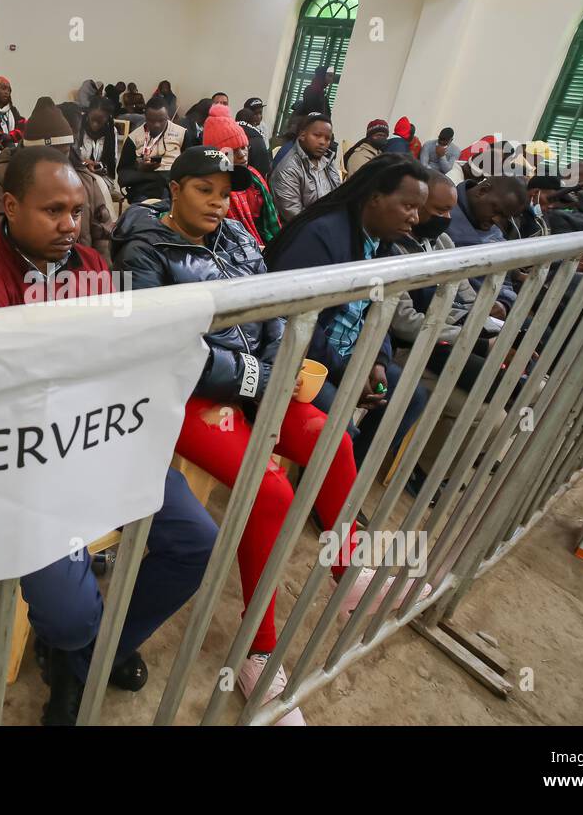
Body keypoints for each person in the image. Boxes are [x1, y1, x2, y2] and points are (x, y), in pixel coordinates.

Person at [114, 145, 410, 726]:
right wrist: (259, 382)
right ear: (175, 189)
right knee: (270, 490)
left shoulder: (238, 238)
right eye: (205, 189)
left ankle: (348, 570)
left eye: (226, 192)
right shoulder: (143, 249)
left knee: (333, 437)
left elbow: (274, 310)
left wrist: (273, 380)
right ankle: (259, 650)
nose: (219, 202)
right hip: (184, 396)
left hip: (259, 384)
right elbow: (163, 347)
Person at [0, 145, 218, 725]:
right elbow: (4, 395)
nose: (70, 224)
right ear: (11, 207)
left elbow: (116, 358)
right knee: (68, 611)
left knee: (195, 540)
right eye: (53, 211)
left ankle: (88, 656)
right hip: (27, 465)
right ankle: (74, 646)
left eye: (76, 210)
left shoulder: (93, 266)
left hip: (103, 440)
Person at [265, 153, 432, 467]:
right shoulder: (322, 235)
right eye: (408, 206)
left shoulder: (383, 245)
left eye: (418, 209)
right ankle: (331, 483)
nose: (415, 218)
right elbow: (296, 320)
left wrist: (378, 361)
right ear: (375, 198)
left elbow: (377, 312)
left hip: (346, 358)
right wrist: (347, 372)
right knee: (343, 431)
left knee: (409, 395)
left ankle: (338, 480)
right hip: (303, 360)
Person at [389, 171, 503, 396]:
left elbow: (466, 295)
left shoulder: (442, 241)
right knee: (496, 401)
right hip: (408, 345)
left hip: (442, 334)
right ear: (416, 206)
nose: (448, 219)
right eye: (440, 211)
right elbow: (404, 324)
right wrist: (472, 340)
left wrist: (491, 326)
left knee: (515, 376)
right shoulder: (392, 251)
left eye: (450, 210)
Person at [0, 98, 114, 262]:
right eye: (50, 156)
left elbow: (102, 237)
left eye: (64, 154)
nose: (69, 225)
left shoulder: (83, 179)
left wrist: (100, 277)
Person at [444, 174, 528, 310]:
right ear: (482, 191)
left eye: (504, 217)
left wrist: (503, 303)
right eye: (496, 211)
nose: (497, 220)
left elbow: (503, 277)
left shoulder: (493, 229)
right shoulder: (443, 207)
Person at [201, 104, 280, 244]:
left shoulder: (254, 175)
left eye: (244, 148)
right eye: (233, 151)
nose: (242, 155)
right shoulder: (214, 188)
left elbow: (270, 224)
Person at [269, 112, 339, 222]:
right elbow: (295, 217)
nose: (322, 142)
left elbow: (339, 198)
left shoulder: (327, 161)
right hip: (302, 233)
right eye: (317, 135)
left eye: (327, 138)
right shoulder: (288, 168)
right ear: (302, 135)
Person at [116, 95, 186, 204]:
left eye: (161, 120)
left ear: (168, 116)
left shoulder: (182, 134)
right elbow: (123, 175)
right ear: (145, 117)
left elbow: (190, 167)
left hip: (173, 185)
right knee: (145, 203)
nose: (156, 125)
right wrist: (139, 168)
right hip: (144, 185)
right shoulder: (134, 138)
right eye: (151, 120)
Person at [235, 99, 272, 177]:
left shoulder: (263, 128)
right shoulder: (237, 131)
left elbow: (265, 151)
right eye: (255, 114)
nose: (259, 117)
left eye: (260, 113)